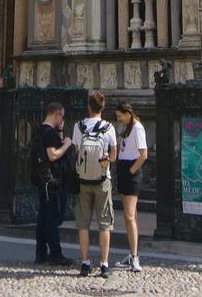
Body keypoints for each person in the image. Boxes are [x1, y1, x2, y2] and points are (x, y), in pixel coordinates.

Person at [71, 90, 117, 280]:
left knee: (83, 223)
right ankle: (104, 264)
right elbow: (113, 156)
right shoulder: (109, 127)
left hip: (83, 181)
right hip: (102, 180)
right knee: (104, 224)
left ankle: (85, 262)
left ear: (89, 106)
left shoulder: (78, 126)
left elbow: (77, 151)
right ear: (103, 107)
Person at [30, 102, 73, 268]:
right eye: (62, 116)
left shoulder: (40, 130)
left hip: (42, 181)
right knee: (53, 218)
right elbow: (53, 155)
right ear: (56, 114)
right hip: (52, 181)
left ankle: (40, 252)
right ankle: (56, 253)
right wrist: (68, 143)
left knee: (43, 218)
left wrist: (61, 132)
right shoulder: (48, 133)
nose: (62, 120)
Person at [113, 102, 148, 274]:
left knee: (129, 215)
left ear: (127, 113)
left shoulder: (137, 128)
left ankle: (135, 256)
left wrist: (130, 171)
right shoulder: (126, 128)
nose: (118, 119)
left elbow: (143, 154)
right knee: (130, 216)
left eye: (120, 116)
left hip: (131, 172)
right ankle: (132, 252)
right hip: (124, 168)